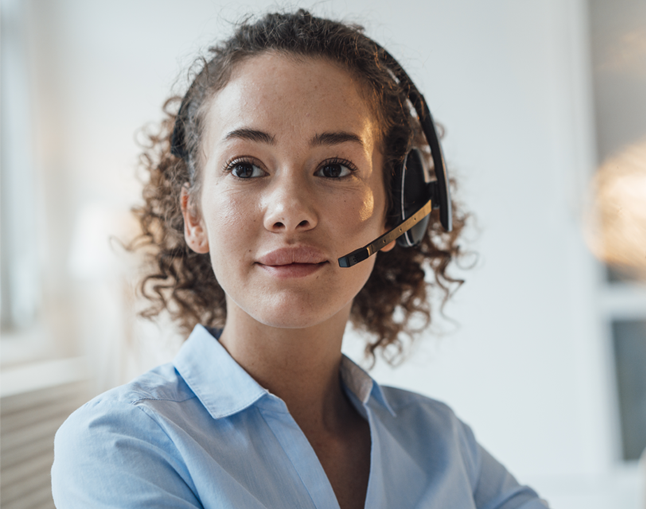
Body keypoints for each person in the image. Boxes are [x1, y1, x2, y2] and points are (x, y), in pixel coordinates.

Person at [52, 10, 548, 509]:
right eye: (245, 167)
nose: (289, 211)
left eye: (334, 168)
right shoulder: (122, 445)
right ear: (194, 218)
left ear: (398, 210)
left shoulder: (442, 442)